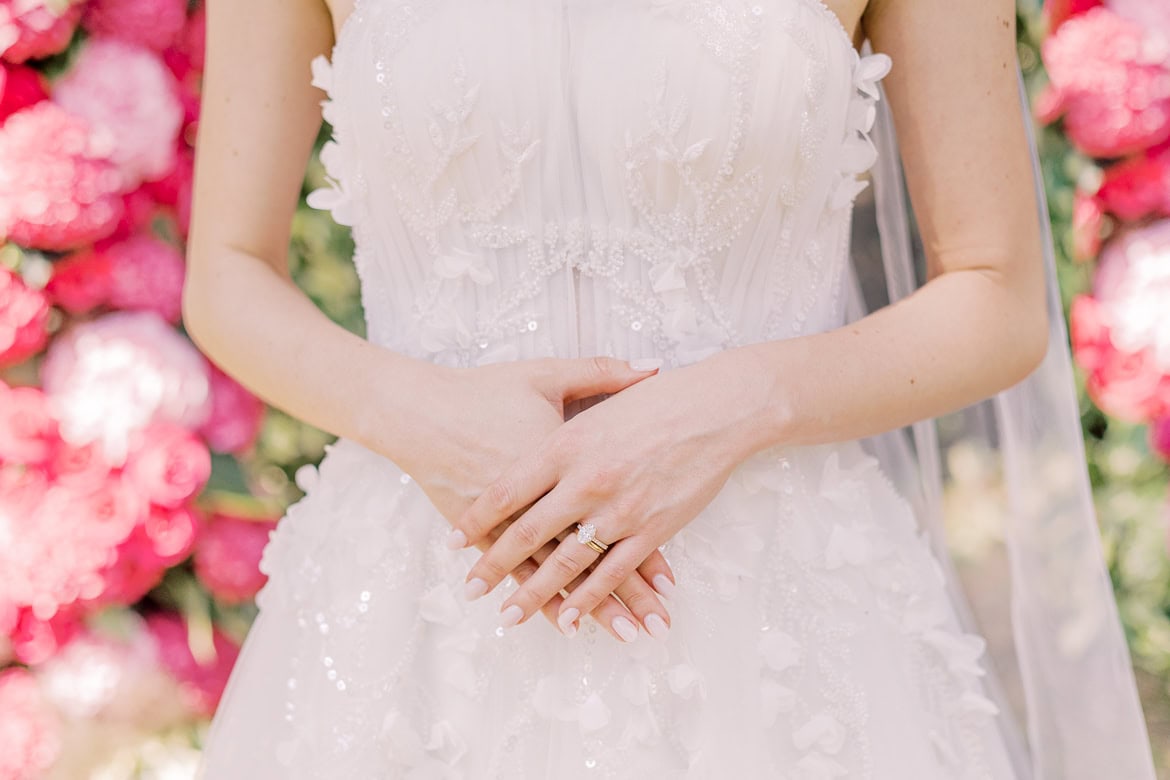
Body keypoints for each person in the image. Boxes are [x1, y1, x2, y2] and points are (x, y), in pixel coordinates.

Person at [187, 0, 1156, 776]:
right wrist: (413, 413)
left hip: (777, 618)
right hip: (411, 603)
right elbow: (227, 270)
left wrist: (738, 404)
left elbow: (995, 295)